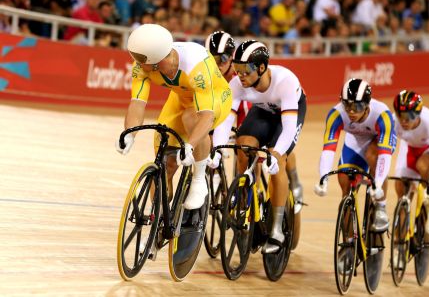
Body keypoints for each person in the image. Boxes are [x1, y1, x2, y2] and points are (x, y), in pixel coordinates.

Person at [116, 24, 232, 210]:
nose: (136, 63)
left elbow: (206, 117)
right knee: (164, 164)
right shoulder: (143, 64)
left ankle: (199, 180)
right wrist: (129, 133)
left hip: (216, 100)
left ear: (156, 60)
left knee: (190, 118)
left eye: (140, 60)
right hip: (180, 99)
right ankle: (158, 222)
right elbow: (137, 103)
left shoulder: (197, 64)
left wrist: (190, 145)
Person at [208, 40, 307, 253]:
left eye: (245, 70)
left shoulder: (285, 82)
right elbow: (225, 122)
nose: (240, 75)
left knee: (276, 159)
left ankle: (277, 229)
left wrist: (277, 153)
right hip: (263, 111)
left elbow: (288, 129)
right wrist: (217, 149)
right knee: (243, 146)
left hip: (288, 113)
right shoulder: (237, 85)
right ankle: (246, 199)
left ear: (261, 68)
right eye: (237, 69)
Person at [314, 78, 396, 232]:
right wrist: (323, 178)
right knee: (346, 187)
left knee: (373, 156)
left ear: (367, 105)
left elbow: (384, 155)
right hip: (354, 143)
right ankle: (349, 245)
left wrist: (377, 183)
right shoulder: (336, 114)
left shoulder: (382, 114)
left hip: (377, 141)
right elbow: (328, 149)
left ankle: (380, 207)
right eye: (347, 105)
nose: (351, 111)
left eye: (357, 106)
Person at [393, 90, 429, 234]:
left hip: (428, 151)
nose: (404, 121)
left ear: (418, 114)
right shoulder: (393, 122)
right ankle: (399, 243)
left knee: (423, 166)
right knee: (401, 189)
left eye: (409, 117)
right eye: (400, 116)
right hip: (409, 149)